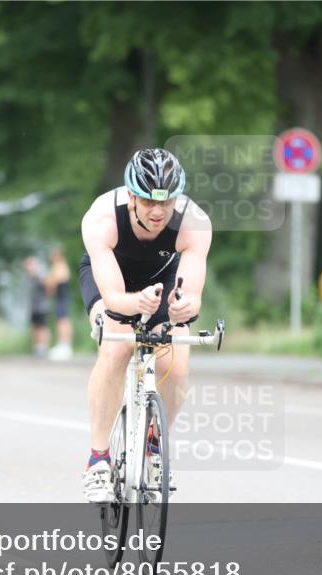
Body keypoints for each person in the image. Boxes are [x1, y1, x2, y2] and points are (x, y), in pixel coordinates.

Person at [78, 148, 212, 503]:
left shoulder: (194, 223)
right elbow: (113, 297)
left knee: (176, 364)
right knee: (118, 343)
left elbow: (193, 295)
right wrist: (134, 305)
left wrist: (183, 308)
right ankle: (98, 461)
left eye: (167, 203)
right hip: (110, 277)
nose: (158, 212)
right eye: (149, 202)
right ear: (132, 195)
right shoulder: (102, 218)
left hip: (162, 276)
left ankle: (154, 446)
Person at [45, 246, 73, 361]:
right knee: (60, 320)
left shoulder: (61, 266)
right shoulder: (56, 266)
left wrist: (49, 281)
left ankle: (65, 345)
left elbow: (56, 280)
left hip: (63, 298)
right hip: (59, 298)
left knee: (63, 320)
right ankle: (62, 343)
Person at [23, 256, 50, 357]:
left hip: (42, 306)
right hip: (33, 306)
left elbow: (46, 285)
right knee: (34, 327)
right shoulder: (28, 276)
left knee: (43, 327)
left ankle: (44, 347)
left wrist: (36, 274)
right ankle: (37, 347)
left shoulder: (40, 274)